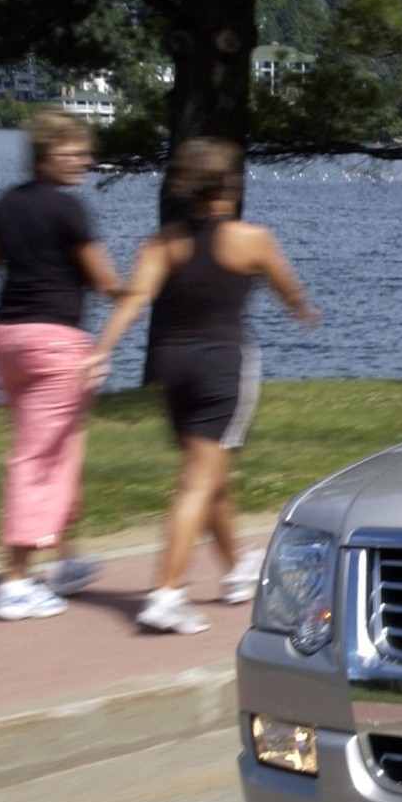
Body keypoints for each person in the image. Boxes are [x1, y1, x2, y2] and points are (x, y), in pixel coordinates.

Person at [88, 137, 318, 634]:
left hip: (172, 366)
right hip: (222, 365)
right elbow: (288, 289)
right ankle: (165, 594)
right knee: (198, 479)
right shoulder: (251, 239)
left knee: (211, 471)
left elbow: (133, 300)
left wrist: (101, 349)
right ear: (229, 185)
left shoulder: (162, 243)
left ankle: (237, 567)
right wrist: (303, 310)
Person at [0, 111, 122, 621]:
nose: (83, 160)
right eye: (72, 153)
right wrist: (146, 287)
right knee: (37, 460)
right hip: (54, 345)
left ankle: (65, 560)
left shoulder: (6, 203)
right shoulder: (69, 209)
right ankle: (14, 584)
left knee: (61, 448)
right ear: (45, 155)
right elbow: (106, 282)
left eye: (85, 152)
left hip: (5, 341)